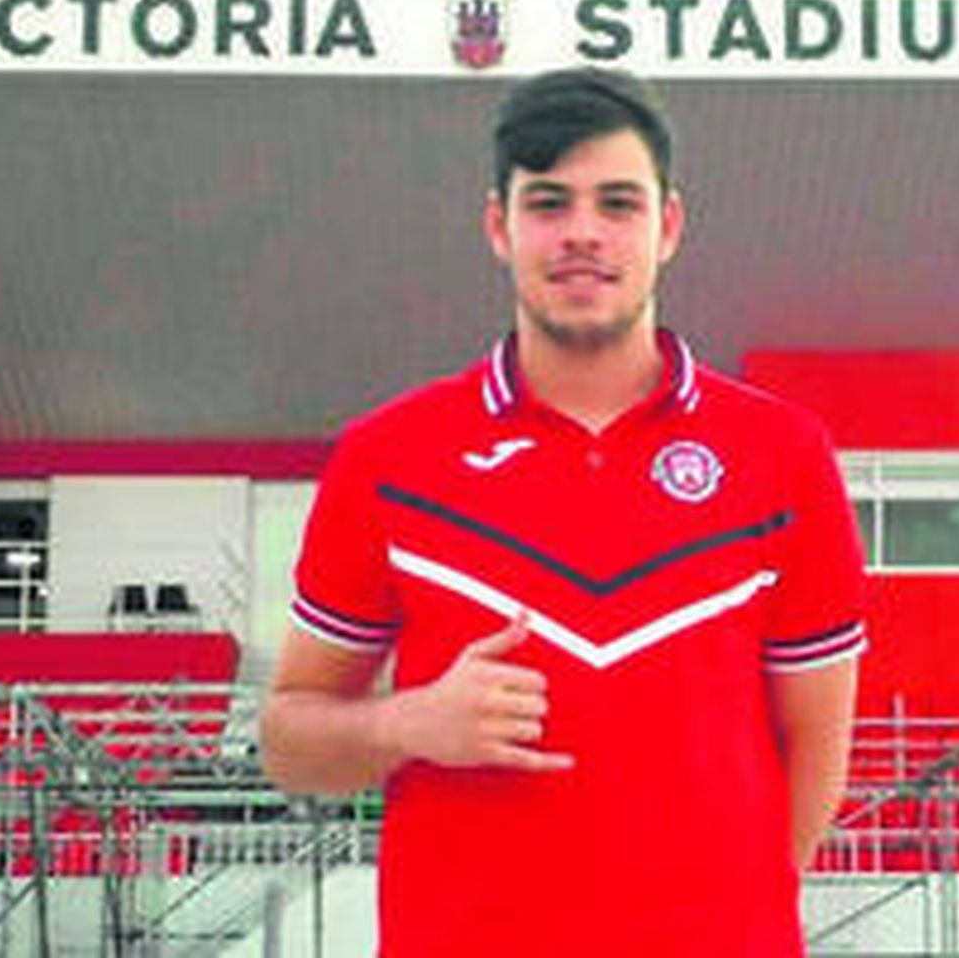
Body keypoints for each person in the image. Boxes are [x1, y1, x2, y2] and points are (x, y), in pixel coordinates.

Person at [261, 66, 868, 957]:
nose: (583, 232)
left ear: (668, 227)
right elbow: (288, 741)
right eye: (549, 203)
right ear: (499, 227)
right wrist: (406, 723)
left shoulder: (782, 457)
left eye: (617, 203)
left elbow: (816, 749)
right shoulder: (388, 459)